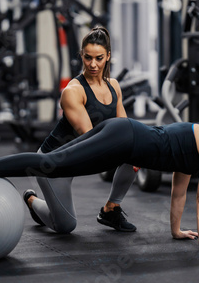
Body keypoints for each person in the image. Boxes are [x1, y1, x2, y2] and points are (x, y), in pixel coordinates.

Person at [0, 104, 199, 251]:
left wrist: (177, 231)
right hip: (125, 139)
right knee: (54, 164)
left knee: (54, 162)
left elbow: (180, 193)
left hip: (123, 129)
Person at [26, 26, 137, 233]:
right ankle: (32, 200)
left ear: (108, 56)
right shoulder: (73, 92)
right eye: (87, 58)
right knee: (65, 226)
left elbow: (125, 128)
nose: (93, 64)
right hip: (54, 163)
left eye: (99, 58)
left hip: (82, 158)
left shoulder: (114, 85)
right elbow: (90, 138)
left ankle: (111, 209)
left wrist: (138, 152)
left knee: (135, 154)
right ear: (81, 56)